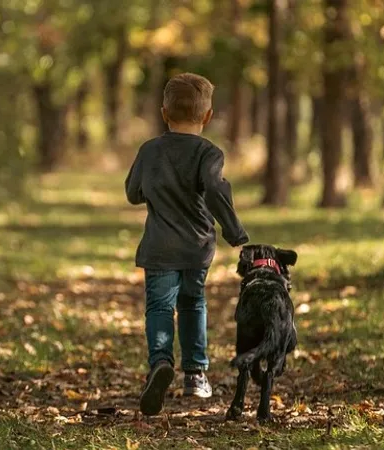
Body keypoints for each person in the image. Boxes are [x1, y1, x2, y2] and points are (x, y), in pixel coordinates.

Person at [125, 72, 250, 416]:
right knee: (193, 303)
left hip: (159, 248)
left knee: (160, 308)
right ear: (207, 117)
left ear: (164, 113)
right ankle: (195, 374)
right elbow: (215, 191)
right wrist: (235, 232)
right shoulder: (209, 153)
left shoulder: (150, 150)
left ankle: (160, 364)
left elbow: (133, 193)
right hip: (197, 248)